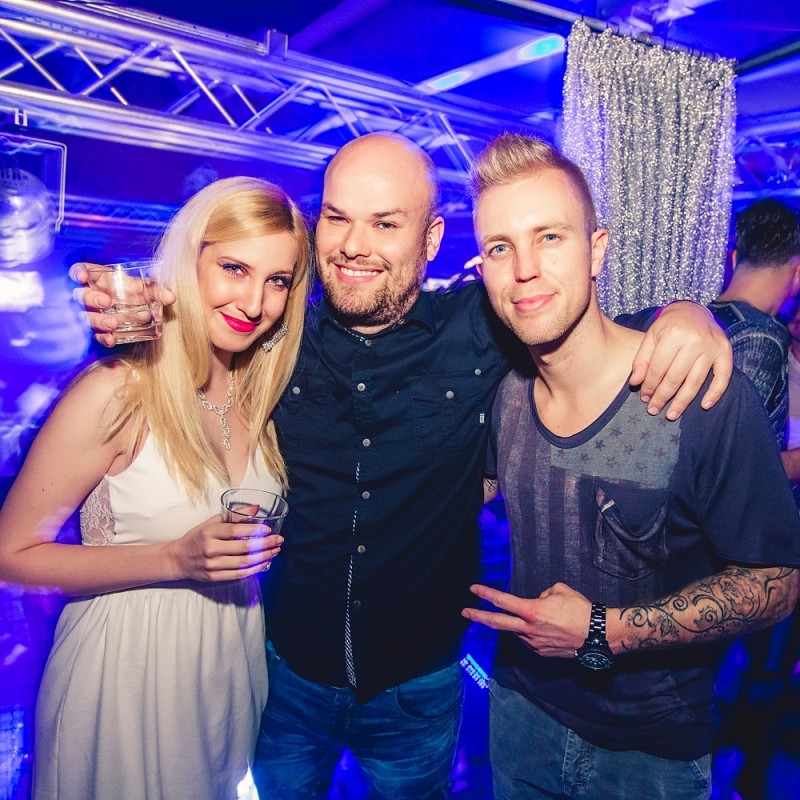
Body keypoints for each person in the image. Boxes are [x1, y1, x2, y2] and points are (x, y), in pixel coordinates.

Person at [75, 132, 734, 799]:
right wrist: (144, 302)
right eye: (338, 218)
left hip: (417, 687)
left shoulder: (483, 328)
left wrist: (687, 315)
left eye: (386, 224)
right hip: (286, 675)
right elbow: (199, 321)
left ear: (431, 238)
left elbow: (574, 318)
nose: (354, 244)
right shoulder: (274, 338)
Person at [462, 133, 800, 800]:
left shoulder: (695, 395)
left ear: (597, 250)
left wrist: (604, 631)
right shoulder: (505, 396)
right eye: (500, 247)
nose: (524, 268)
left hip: (650, 753)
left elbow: (779, 582)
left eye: (550, 237)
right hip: (518, 715)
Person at [0, 176, 311, 799]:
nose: (254, 302)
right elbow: (10, 557)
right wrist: (173, 558)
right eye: (233, 268)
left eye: (277, 280)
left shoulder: (263, 397)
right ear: (188, 261)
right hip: (124, 672)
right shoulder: (118, 391)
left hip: (227, 665)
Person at [708, 198, 800, 446]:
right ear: (798, 271)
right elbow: (740, 457)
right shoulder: (764, 336)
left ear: (735, 258)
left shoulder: (700, 317)